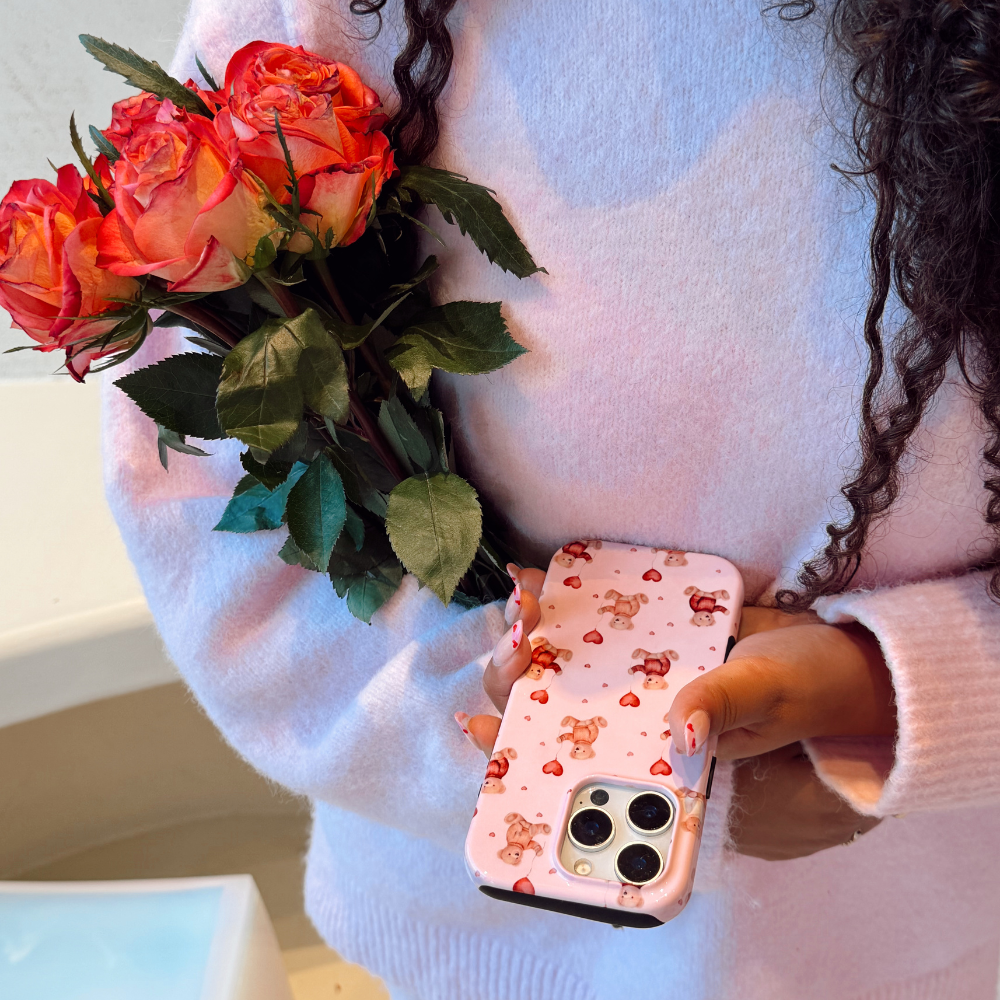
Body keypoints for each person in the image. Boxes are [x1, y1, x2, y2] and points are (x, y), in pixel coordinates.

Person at [104, 0, 1000, 997]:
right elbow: (203, 498)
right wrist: (566, 765)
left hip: (930, 933)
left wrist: (913, 686)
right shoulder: (322, 23)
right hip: (497, 947)